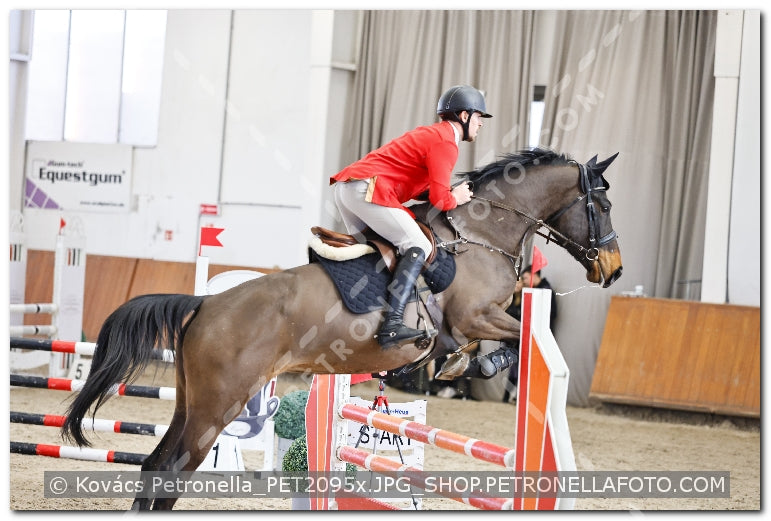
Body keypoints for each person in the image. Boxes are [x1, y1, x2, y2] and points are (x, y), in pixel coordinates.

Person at [330, 85, 492, 349]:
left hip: (349, 188)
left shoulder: (433, 134)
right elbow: (441, 200)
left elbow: (423, 189)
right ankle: (392, 325)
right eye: (479, 117)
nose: (481, 123)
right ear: (464, 115)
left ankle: (360, 313)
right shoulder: (446, 143)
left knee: (375, 253)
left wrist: (446, 193)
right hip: (367, 189)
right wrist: (457, 197)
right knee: (419, 245)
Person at [501, 265, 558, 403]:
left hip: (538, 337)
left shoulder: (545, 291)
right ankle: (513, 397)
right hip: (527, 336)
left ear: (534, 276)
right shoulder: (531, 291)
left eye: (525, 278)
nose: (524, 281)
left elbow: (552, 314)